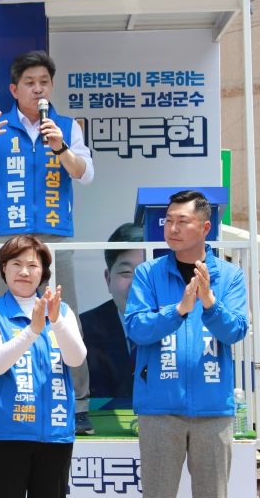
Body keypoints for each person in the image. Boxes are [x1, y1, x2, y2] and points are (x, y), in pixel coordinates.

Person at [0, 50, 94, 434]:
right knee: (7, 316)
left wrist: (61, 147)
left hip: (54, 234)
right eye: (30, 83)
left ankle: (79, 404)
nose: (38, 89)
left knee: (63, 316)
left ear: (51, 87)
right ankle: (10, 397)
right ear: (14, 89)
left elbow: (85, 174)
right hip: (9, 237)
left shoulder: (66, 127)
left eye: (44, 82)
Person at [124, 190, 248, 498]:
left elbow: (235, 331)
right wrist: (178, 309)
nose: (173, 229)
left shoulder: (230, 276)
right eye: (169, 221)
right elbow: (136, 328)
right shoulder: (148, 273)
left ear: (205, 228)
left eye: (183, 221)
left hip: (214, 409)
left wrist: (210, 303)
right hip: (160, 408)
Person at [0, 235, 85, 498]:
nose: (24, 271)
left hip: (56, 434)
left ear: (43, 272)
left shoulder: (62, 311)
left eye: (33, 265)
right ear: (4, 268)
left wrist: (56, 322)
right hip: (6, 436)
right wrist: (33, 330)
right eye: (16, 263)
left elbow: (76, 359)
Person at [80, 223, 143, 400]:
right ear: (108, 279)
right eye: (127, 272)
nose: (137, 285)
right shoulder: (83, 331)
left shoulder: (184, 326)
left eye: (147, 273)